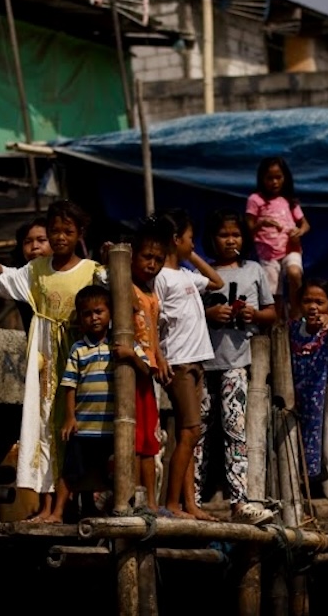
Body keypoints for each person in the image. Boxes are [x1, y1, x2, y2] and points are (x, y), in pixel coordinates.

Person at [0, 200, 104, 519]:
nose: (59, 237)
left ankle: (75, 506)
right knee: (46, 428)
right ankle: (49, 507)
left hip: (84, 364)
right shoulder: (35, 273)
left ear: (79, 234)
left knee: (81, 430)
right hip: (45, 367)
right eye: (54, 231)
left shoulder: (94, 272)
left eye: (66, 231)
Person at [38, 286, 150, 523]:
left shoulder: (122, 344)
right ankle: (58, 512)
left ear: (110, 312)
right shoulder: (79, 349)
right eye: (87, 314)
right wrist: (70, 417)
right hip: (85, 425)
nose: (94, 318)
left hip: (114, 427)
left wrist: (130, 355)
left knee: (114, 471)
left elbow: (146, 371)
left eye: (99, 311)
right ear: (80, 319)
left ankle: (118, 509)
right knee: (72, 472)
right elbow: (70, 385)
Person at [196, 209, 277, 524]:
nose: (231, 240)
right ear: (212, 239)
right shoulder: (201, 274)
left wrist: (253, 316)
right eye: (223, 235)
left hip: (237, 362)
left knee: (235, 428)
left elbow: (271, 313)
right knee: (197, 430)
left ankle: (240, 501)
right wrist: (209, 315)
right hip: (202, 362)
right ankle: (192, 498)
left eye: (236, 234)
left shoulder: (254, 270)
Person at [152, 209, 224, 520]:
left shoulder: (185, 274)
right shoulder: (161, 277)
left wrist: (191, 256)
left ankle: (189, 503)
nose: (193, 245)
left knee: (190, 435)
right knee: (190, 430)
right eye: (190, 239)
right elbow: (152, 320)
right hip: (178, 362)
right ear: (175, 239)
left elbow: (217, 281)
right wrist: (159, 356)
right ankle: (171, 504)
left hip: (197, 361)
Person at [128, 217, 173, 512]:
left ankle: (152, 503)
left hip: (147, 373)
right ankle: (129, 497)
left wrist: (160, 356)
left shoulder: (150, 293)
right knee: (129, 437)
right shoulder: (124, 287)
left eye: (158, 259)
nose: (152, 264)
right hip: (128, 372)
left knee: (149, 440)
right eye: (147, 257)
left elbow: (153, 330)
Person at [289, 278, 328, 481]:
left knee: (321, 445)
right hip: (294, 400)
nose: (313, 307)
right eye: (307, 301)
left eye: (319, 303)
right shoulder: (292, 330)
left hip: (320, 404)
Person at [245, 156, 310, 309]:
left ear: (285, 178)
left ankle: (296, 311)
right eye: (270, 178)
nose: (274, 182)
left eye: (278, 177)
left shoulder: (289, 200)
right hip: (268, 254)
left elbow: (305, 224)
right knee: (274, 292)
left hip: (291, 248)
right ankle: (277, 322)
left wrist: (298, 232)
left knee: (294, 273)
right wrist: (262, 223)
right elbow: (248, 229)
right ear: (262, 179)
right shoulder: (255, 200)